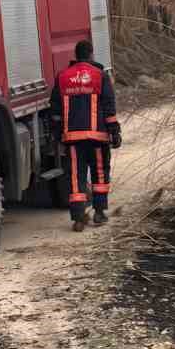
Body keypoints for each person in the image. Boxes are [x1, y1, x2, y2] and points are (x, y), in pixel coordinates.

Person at [49, 38, 121, 231]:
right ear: (91, 54)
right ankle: (99, 213)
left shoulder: (63, 77)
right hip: (97, 138)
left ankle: (79, 217)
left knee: (75, 176)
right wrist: (114, 131)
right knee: (99, 173)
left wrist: (57, 134)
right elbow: (108, 106)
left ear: (76, 55)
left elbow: (54, 109)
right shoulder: (99, 76)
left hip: (72, 138)